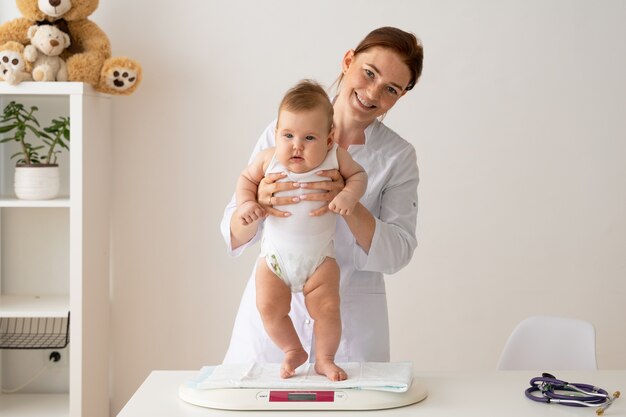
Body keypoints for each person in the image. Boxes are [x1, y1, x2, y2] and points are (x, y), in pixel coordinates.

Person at [221, 26, 423, 368]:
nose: (372, 93)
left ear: (400, 96)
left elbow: (398, 253)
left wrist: (350, 205)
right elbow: (231, 231)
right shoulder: (282, 131)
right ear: (348, 61)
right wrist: (256, 203)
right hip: (268, 336)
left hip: (349, 335)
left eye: (391, 88)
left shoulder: (398, 156)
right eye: (368, 73)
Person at [235, 80, 367, 380]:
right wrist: (247, 204)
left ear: (329, 138)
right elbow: (245, 180)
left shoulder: (337, 159)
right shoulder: (268, 160)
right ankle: (292, 348)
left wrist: (348, 195)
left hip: (320, 260)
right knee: (268, 306)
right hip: (275, 259)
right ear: (276, 134)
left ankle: (324, 358)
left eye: (309, 137)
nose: (297, 145)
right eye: (288, 135)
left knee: (329, 308)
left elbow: (359, 176)